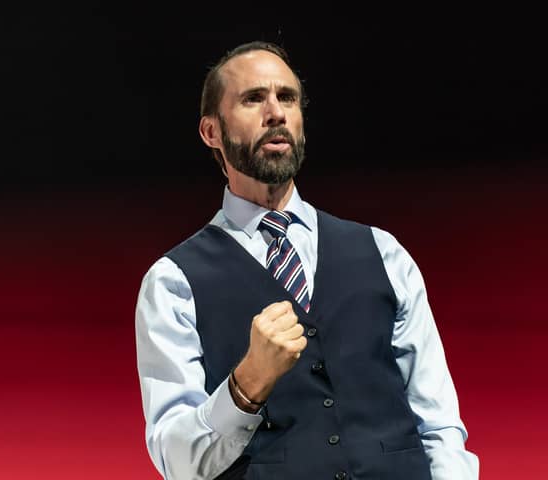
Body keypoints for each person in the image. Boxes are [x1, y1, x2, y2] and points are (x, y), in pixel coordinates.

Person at [135, 41, 479, 480]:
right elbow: (178, 462)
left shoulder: (384, 253)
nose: (276, 112)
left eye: (288, 98)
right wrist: (246, 385)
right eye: (253, 98)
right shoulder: (173, 284)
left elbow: (439, 426)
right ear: (211, 132)